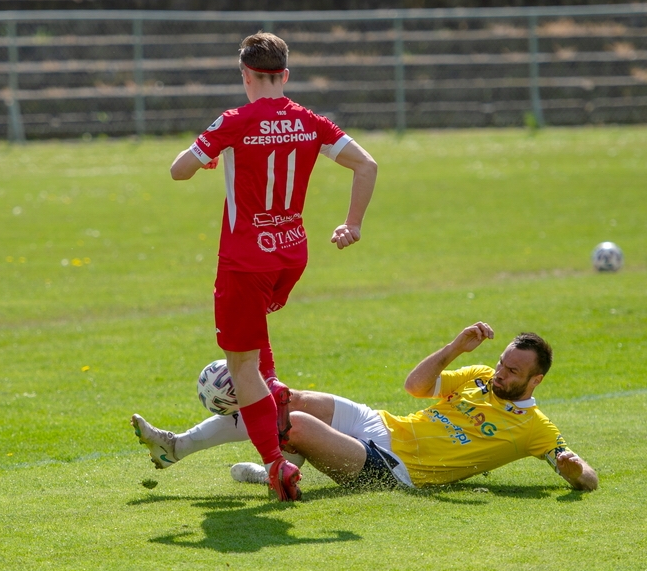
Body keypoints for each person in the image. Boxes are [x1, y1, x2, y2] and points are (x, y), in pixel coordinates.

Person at [166, 31, 377, 501]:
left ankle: (275, 464)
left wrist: (205, 156)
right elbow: (367, 165)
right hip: (290, 254)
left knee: (241, 366)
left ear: (245, 75)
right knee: (256, 345)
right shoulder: (309, 120)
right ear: (284, 75)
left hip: (245, 259)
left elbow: (178, 169)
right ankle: (278, 404)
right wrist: (352, 225)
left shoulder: (235, 120)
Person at [132, 322, 598, 492]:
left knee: (291, 423)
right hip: (382, 425)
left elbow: (585, 476)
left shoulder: (534, 428)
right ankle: (174, 447)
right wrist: (455, 348)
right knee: (285, 400)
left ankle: (275, 468)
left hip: (396, 469)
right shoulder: (476, 378)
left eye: (513, 372)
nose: (501, 373)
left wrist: (577, 473)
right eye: (501, 364)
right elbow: (415, 386)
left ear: (536, 380)